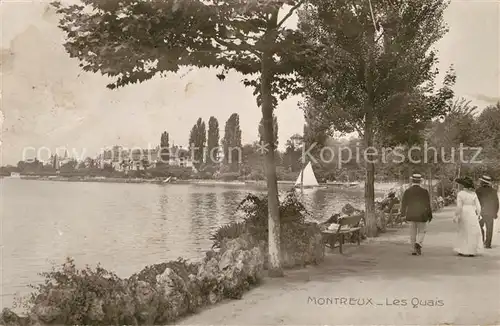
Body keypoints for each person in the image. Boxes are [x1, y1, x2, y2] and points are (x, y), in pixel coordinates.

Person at [400, 173, 433, 255]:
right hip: (422, 215)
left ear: (412, 181)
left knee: (412, 233)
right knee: (422, 231)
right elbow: (427, 204)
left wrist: (402, 214)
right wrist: (430, 215)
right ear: (420, 182)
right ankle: (418, 243)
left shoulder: (407, 191)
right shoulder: (424, 192)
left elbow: (404, 203)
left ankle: (413, 250)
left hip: (411, 214)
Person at [454, 176, 483, 256]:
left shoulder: (460, 194)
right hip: (472, 212)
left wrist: (456, 215)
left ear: (463, 185)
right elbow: (478, 206)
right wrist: (478, 214)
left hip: (464, 211)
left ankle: (462, 249)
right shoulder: (474, 194)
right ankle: (472, 250)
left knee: (463, 230)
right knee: (472, 231)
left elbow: (459, 206)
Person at [475, 175, 499, 249]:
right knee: (489, 228)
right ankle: (488, 244)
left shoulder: (478, 190)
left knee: (479, 226)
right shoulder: (493, 191)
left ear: (482, 182)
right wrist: (495, 213)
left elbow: (476, 202)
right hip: (490, 212)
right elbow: (496, 203)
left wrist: (476, 211)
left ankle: (481, 241)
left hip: (481, 212)